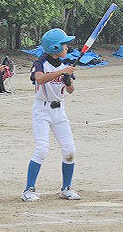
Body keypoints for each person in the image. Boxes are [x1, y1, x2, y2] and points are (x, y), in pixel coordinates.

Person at [21, 28, 81, 202]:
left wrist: (68, 80)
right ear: (54, 48)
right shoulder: (40, 63)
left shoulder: (65, 65)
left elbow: (70, 91)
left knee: (70, 150)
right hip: (42, 110)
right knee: (42, 149)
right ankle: (28, 189)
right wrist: (61, 73)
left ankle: (66, 188)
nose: (66, 47)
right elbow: (39, 79)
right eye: (64, 44)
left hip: (59, 111)